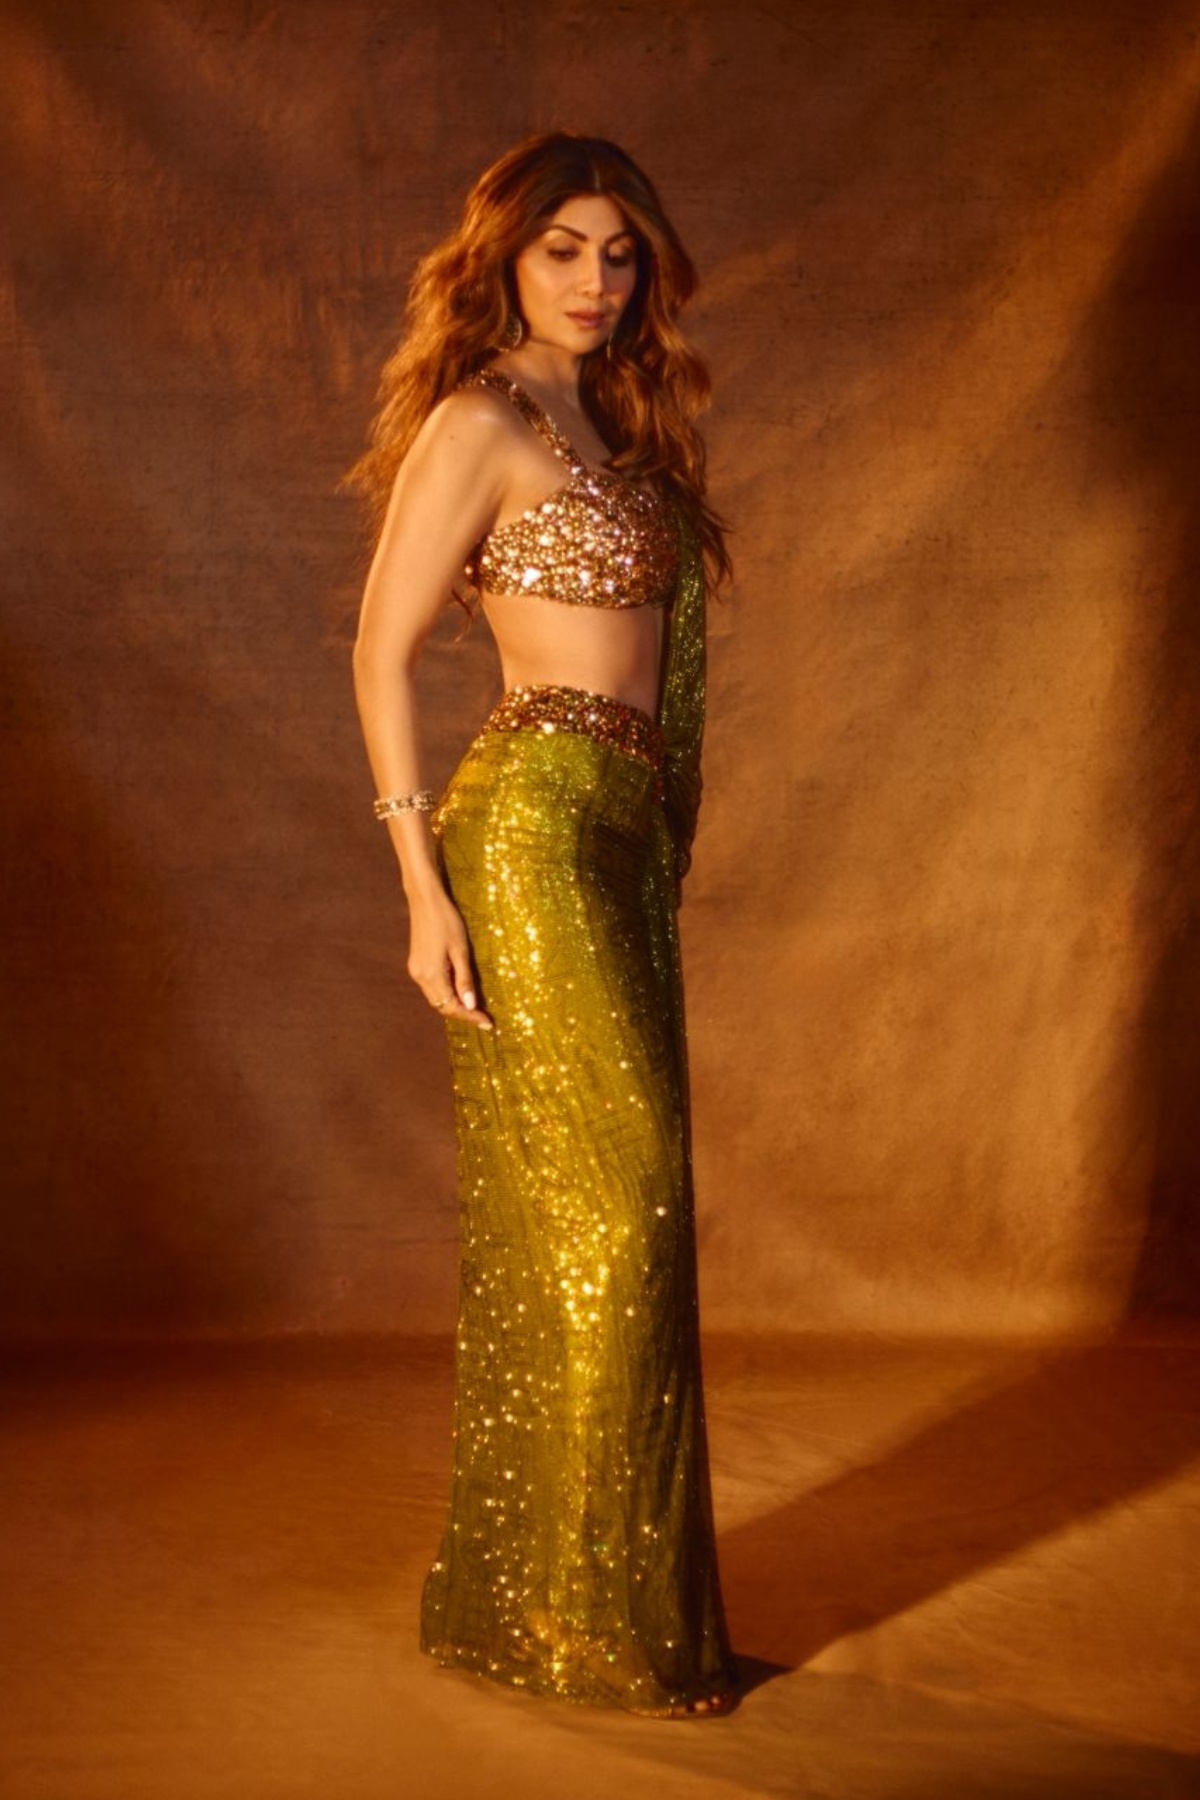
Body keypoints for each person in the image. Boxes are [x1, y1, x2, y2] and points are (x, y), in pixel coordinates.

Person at [346, 131, 738, 1719]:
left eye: (620, 253)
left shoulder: (620, 426)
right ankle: (589, 1619)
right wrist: (419, 886)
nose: (595, 280)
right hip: (530, 832)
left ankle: (585, 1607)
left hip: (620, 837)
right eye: (564, 248)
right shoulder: (482, 420)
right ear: (505, 256)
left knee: (620, 1213)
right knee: (623, 1201)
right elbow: (378, 653)